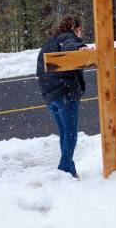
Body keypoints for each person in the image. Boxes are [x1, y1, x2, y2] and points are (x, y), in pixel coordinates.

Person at [36, 14, 87, 178]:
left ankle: (70, 171)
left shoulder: (48, 44)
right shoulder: (67, 38)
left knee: (65, 133)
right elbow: (70, 46)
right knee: (71, 134)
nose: (80, 35)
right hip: (66, 92)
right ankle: (64, 169)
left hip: (50, 96)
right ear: (75, 28)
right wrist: (80, 48)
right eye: (80, 31)